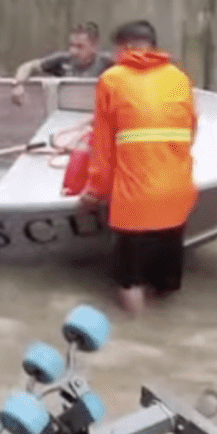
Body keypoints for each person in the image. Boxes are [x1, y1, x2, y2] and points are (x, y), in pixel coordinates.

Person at [77, 20, 198, 317]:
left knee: (129, 282)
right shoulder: (180, 79)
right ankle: (168, 338)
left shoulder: (112, 80)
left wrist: (93, 194)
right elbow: (190, 132)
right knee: (166, 284)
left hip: (136, 202)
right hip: (178, 196)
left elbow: (102, 149)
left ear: (125, 48)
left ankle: (140, 334)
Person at [11, 22, 113, 105]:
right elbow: (28, 66)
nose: (73, 51)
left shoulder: (108, 62)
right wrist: (18, 84)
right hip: (66, 109)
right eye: (71, 45)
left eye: (80, 46)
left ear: (94, 47)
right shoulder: (62, 59)